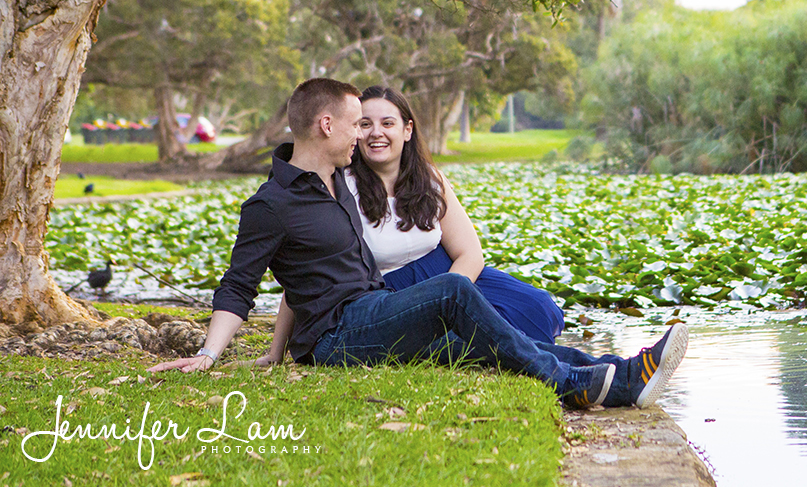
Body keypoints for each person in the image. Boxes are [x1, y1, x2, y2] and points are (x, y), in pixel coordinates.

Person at [148, 78, 687, 412]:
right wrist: (208, 354)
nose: (364, 134)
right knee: (453, 292)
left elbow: (305, 274)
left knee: (478, 345)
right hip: (336, 337)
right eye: (357, 123)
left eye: (374, 124)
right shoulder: (271, 204)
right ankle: (576, 382)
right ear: (327, 124)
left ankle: (623, 379)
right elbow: (240, 284)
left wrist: (272, 351)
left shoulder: (337, 183)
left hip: (372, 311)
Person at [258, 85, 564, 359]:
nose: (376, 132)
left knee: (537, 308)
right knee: (459, 342)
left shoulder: (430, 180)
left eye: (387, 123)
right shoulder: (339, 188)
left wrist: (453, 300)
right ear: (354, 132)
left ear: (407, 130)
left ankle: (537, 357)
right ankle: (534, 360)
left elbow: (470, 254)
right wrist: (277, 350)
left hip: (450, 277)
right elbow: (305, 273)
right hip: (387, 296)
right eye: (365, 124)